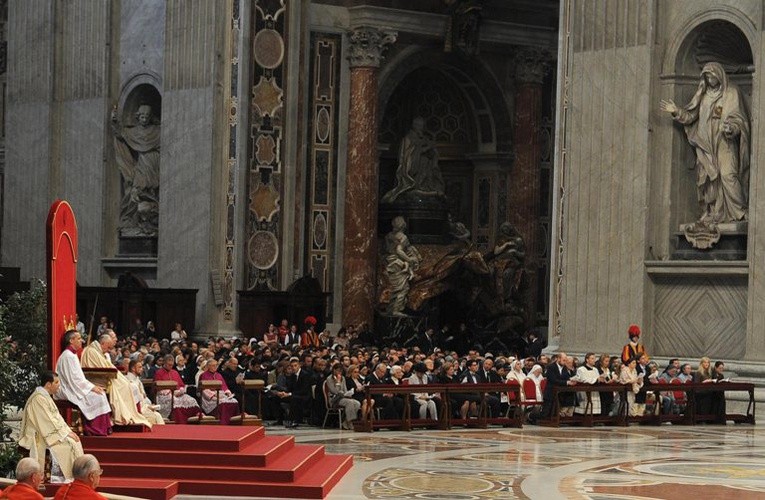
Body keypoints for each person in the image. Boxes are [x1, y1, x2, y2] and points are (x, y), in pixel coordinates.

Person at [660, 62, 750, 223]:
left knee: (728, 175)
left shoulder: (731, 93)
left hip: (724, 142)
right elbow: (690, 117)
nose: (710, 79)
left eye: (713, 75)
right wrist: (676, 111)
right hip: (704, 146)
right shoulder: (702, 94)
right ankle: (713, 212)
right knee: (706, 179)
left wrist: (732, 128)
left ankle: (740, 212)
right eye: (707, 76)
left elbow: (739, 119)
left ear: (720, 75)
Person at [18, 371, 84, 482]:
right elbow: (48, 421)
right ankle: (71, 477)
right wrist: (66, 434)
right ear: (48, 384)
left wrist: (68, 432)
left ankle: (76, 476)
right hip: (39, 435)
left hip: (47, 431)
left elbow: (56, 418)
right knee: (69, 444)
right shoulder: (38, 398)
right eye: (57, 382)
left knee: (74, 441)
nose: (59, 385)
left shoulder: (45, 396)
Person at [80, 332, 151, 428]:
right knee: (124, 386)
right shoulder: (91, 352)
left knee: (127, 385)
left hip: (104, 377)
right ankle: (121, 416)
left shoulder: (98, 351)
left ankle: (128, 413)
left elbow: (107, 366)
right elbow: (102, 367)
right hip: (97, 379)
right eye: (108, 347)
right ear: (102, 343)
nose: (108, 350)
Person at [111, 102, 161, 236]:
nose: (144, 119)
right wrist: (114, 119)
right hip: (142, 163)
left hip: (154, 162)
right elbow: (120, 133)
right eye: (142, 116)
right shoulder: (134, 131)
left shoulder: (157, 130)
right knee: (136, 190)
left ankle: (149, 222)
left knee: (152, 190)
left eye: (147, 116)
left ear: (151, 117)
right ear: (138, 117)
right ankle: (132, 220)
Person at [54, 330, 112, 436]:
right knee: (98, 395)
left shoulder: (72, 355)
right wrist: (92, 387)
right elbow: (74, 380)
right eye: (79, 338)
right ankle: (94, 429)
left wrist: (92, 387)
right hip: (67, 388)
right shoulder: (67, 356)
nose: (82, 341)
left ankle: (103, 427)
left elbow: (78, 378)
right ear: (71, 340)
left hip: (74, 386)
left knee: (100, 393)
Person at [382, 116, 444, 202]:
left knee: (429, 166)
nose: (420, 128)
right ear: (414, 126)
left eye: (422, 125)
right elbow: (407, 156)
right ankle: (416, 186)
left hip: (427, 168)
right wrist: (424, 149)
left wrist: (431, 151)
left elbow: (433, 153)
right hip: (414, 168)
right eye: (419, 125)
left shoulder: (425, 139)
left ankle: (426, 187)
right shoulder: (407, 139)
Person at [383, 217, 422, 316]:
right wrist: (410, 260)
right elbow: (399, 251)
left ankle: (390, 309)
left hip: (390, 262)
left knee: (395, 288)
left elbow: (386, 250)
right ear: (403, 225)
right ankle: (396, 309)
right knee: (403, 288)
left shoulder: (388, 236)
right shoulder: (403, 237)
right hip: (398, 263)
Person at [153, 354, 201, 424]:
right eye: (169, 365)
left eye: (172, 365)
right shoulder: (159, 373)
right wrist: (169, 392)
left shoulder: (175, 372)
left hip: (177, 393)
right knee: (174, 401)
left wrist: (181, 390)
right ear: (164, 363)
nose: (170, 366)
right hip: (164, 395)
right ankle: (179, 421)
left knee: (191, 399)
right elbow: (157, 388)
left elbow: (181, 385)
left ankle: (196, 417)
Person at [198, 358, 239, 425]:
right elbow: (203, 389)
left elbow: (224, 386)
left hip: (221, 394)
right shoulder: (203, 375)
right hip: (209, 397)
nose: (215, 367)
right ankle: (223, 422)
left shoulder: (219, 375)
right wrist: (214, 395)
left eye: (216, 365)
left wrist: (228, 393)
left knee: (234, 401)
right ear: (208, 366)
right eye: (213, 365)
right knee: (221, 403)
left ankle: (234, 422)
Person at [125, 360, 165, 425]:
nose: (142, 369)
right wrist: (147, 407)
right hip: (135, 411)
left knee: (158, 415)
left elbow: (143, 397)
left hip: (144, 407)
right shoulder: (129, 382)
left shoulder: (138, 380)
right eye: (139, 367)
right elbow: (133, 402)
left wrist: (149, 406)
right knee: (156, 417)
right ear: (133, 368)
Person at [325, 363, 360, 430]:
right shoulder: (329, 379)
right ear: (334, 370)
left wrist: (348, 393)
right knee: (349, 403)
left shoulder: (343, 378)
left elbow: (345, 389)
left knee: (357, 403)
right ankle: (349, 422)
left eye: (340, 371)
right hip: (334, 399)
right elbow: (334, 391)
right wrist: (338, 383)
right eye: (338, 370)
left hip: (343, 397)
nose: (339, 372)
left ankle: (346, 421)